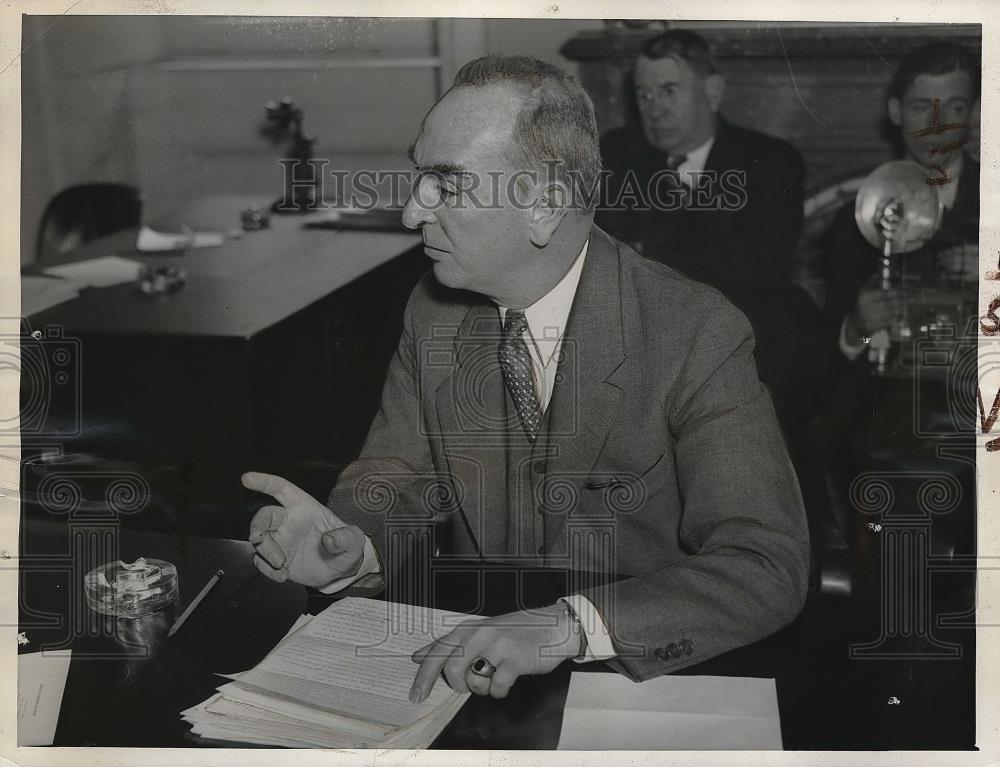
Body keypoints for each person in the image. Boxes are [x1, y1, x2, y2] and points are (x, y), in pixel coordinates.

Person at [243, 55, 809, 704]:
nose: (410, 213)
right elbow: (395, 476)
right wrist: (351, 546)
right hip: (479, 669)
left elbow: (767, 564)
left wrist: (566, 626)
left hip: (639, 682)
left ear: (545, 206)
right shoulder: (433, 311)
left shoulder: (694, 330)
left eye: (446, 185)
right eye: (418, 176)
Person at [596, 31, 832, 548]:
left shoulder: (769, 159)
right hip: (643, 329)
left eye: (670, 91)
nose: (653, 108)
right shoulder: (617, 154)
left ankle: (767, 545)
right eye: (644, 94)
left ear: (714, 92)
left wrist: (642, 255)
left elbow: (761, 266)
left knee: (772, 397)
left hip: (749, 331)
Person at [823, 40, 981, 583]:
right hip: (898, 411)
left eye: (955, 108)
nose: (938, 124)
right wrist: (860, 328)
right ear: (895, 113)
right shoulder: (859, 216)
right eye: (922, 107)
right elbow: (852, 351)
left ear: (977, 113)